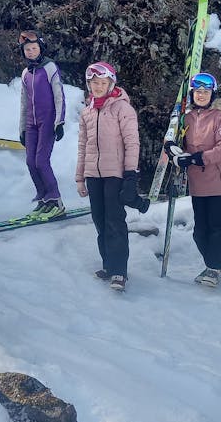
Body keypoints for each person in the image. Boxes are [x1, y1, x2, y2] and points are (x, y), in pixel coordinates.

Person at [76, 61, 145, 292]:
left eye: (103, 83)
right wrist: (79, 177)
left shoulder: (122, 109)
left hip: (115, 174)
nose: (98, 86)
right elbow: (83, 145)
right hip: (93, 175)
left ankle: (119, 271)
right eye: (94, 83)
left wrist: (130, 175)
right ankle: (108, 264)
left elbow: (132, 142)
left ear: (111, 83)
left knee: (115, 222)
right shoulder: (87, 111)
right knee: (99, 220)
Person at [163, 72, 221, 287]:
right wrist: (175, 153)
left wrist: (199, 157)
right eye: (198, 92)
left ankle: (215, 268)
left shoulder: (219, 117)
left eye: (206, 92)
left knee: (216, 227)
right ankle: (211, 264)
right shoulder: (187, 118)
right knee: (200, 231)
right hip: (197, 181)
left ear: (213, 94)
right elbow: (179, 143)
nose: (201, 95)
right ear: (193, 94)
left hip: (217, 180)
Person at [18, 30, 67, 217]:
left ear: (40, 48)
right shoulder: (25, 73)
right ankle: (44, 199)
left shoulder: (49, 67)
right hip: (31, 123)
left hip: (48, 122)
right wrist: (22, 128)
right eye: (27, 49)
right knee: (31, 162)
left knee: (41, 161)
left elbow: (59, 95)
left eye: (34, 48)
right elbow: (23, 103)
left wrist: (59, 122)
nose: (30, 52)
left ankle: (56, 200)